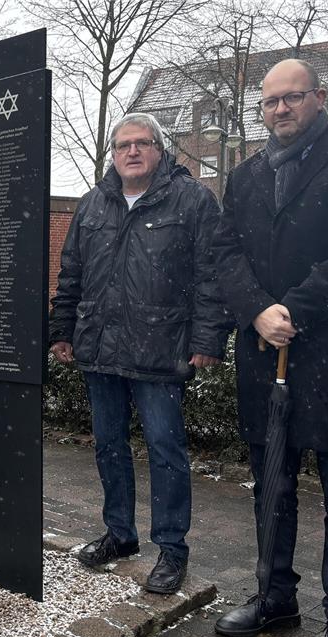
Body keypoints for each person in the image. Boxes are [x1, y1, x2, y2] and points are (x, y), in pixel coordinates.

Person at [212, 59, 328, 637]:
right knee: (272, 486)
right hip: (264, 353)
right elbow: (223, 253)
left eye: (292, 98)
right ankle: (276, 597)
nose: (280, 109)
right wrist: (256, 310)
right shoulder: (243, 177)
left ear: (319, 97)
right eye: (270, 102)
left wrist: (292, 310)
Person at [48, 113, 229, 594]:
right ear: (112, 154)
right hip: (101, 348)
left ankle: (172, 549)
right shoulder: (91, 205)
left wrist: (208, 340)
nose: (132, 151)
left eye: (142, 143)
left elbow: (211, 277)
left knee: (167, 452)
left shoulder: (192, 200)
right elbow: (71, 275)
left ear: (160, 149)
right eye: (123, 144)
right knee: (109, 447)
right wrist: (61, 331)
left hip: (160, 348)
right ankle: (120, 535)